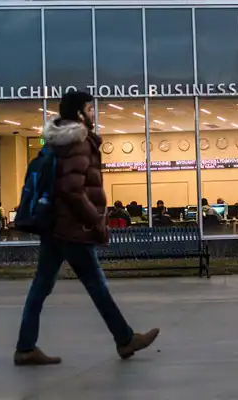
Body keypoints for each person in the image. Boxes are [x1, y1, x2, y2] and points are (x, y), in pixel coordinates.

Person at [14, 91, 159, 366]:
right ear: (80, 113)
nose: (94, 114)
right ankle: (125, 339)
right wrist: (93, 219)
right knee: (96, 285)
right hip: (73, 229)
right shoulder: (78, 142)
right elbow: (71, 188)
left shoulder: (59, 142)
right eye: (91, 109)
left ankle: (25, 347)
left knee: (41, 286)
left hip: (55, 227)